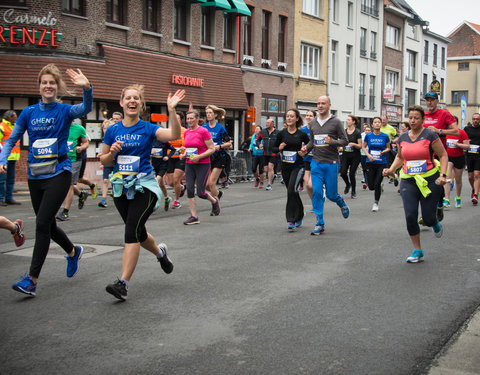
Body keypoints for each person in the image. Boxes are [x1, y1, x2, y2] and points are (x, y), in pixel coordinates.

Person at [0, 64, 93, 297]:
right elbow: (12, 139)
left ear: (57, 86)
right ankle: (73, 251)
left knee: (42, 223)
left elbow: (86, 107)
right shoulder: (29, 112)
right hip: (35, 174)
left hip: (59, 172)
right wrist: (2, 157)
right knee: (48, 225)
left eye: (52, 82)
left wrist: (87, 88)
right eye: (44, 82)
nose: (48, 86)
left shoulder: (64, 111)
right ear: (39, 86)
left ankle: (31, 280)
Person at [100, 85, 185, 301]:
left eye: (136, 98)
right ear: (121, 102)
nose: (132, 101)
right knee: (138, 232)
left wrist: (172, 111)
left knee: (131, 231)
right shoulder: (112, 130)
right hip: (121, 187)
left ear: (141, 104)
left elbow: (174, 134)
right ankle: (160, 253)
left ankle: (123, 283)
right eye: (128, 97)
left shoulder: (148, 128)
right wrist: (112, 152)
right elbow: (104, 160)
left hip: (144, 186)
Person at [383, 105, 448, 263]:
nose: (412, 121)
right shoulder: (403, 137)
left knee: (428, 217)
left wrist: (443, 175)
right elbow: (400, 157)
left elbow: (443, 155)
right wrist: (391, 169)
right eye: (410, 118)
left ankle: (434, 222)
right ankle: (417, 250)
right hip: (409, 180)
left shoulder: (430, 135)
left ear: (422, 120)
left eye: (416, 118)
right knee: (411, 216)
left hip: (429, 180)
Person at [302, 96, 350, 235]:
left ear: (329, 105)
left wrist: (332, 142)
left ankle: (341, 202)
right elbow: (312, 141)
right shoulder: (314, 122)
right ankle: (319, 223)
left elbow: (345, 141)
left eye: (323, 103)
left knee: (331, 194)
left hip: (331, 163)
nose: (320, 105)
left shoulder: (335, 122)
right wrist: (306, 148)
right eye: (318, 103)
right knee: (316, 192)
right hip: (316, 163)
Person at [423, 92, 459, 219]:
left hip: (439, 153)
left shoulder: (444, 114)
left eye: (432, 100)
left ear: (437, 101)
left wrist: (439, 131)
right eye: (427, 100)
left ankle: (439, 204)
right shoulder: (423, 114)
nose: (429, 102)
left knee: (438, 181)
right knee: (423, 182)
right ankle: (426, 211)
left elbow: (456, 132)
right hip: (424, 153)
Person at [180, 109, 219, 225]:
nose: (189, 121)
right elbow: (188, 148)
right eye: (188, 119)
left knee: (201, 193)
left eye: (192, 118)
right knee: (190, 190)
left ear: (197, 119)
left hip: (203, 164)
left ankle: (214, 201)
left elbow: (212, 149)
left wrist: (199, 157)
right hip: (189, 164)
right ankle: (194, 216)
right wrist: (184, 155)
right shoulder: (186, 132)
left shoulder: (203, 131)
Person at [273, 109, 309, 230]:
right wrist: (279, 147)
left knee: (291, 191)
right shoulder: (281, 134)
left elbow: (310, 147)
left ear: (297, 118)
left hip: (298, 166)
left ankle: (291, 220)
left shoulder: (302, 134)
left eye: (291, 116)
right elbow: (272, 148)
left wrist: (304, 151)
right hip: (285, 167)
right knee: (293, 191)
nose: (289, 118)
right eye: (287, 116)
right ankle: (300, 214)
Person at [56, 121, 90, 221]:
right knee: (63, 184)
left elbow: (86, 142)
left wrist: (81, 147)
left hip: (74, 160)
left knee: (69, 184)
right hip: (61, 159)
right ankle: (81, 194)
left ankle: (65, 212)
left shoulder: (79, 128)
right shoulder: (59, 126)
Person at [203, 104, 231, 205]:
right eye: (207, 113)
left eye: (210, 113)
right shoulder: (203, 128)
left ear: (215, 115)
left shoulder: (220, 128)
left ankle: (215, 204)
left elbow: (229, 143)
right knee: (206, 185)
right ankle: (218, 194)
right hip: (207, 157)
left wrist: (220, 146)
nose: (208, 115)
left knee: (211, 183)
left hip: (219, 157)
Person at [362, 117, 391, 212]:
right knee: (371, 186)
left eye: (379, 122)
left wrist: (384, 151)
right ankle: (378, 185)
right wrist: (368, 155)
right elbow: (364, 146)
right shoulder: (368, 135)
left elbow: (388, 148)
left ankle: (376, 203)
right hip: (370, 162)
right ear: (372, 125)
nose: (377, 124)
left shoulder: (385, 136)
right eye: (375, 122)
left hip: (381, 163)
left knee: (377, 183)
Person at [444, 119, 469, 208]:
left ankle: (458, 197)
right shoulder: (446, 132)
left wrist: (458, 145)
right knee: (447, 177)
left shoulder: (461, 132)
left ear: (456, 124)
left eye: (452, 124)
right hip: (449, 157)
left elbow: (467, 146)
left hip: (459, 158)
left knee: (458, 180)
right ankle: (447, 199)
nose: (450, 125)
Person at [166, 112, 186, 209]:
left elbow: (188, 144)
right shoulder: (168, 131)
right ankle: (182, 187)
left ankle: (176, 201)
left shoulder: (185, 131)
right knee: (170, 183)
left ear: (181, 120)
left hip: (180, 158)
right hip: (170, 158)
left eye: (177, 119)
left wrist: (183, 148)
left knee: (176, 179)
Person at [0, 110, 21, 205]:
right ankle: (1, 198)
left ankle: (9, 197)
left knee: (11, 179)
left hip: (13, 157)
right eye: (14, 117)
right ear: (9, 117)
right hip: (4, 158)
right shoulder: (2, 126)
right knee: (2, 179)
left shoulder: (14, 126)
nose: (16, 118)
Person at [340, 115, 362, 199]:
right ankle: (347, 184)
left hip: (355, 156)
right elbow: (342, 142)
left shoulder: (357, 132)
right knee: (342, 172)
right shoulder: (344, 131)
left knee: (352, 173)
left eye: (349, 120)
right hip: (346, 155)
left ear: (353, 122)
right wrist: (341, 147)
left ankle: (353, 191)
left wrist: (353, 144)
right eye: (347, 120)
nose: (347, 121)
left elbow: (360, 145)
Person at [151, 135, 176, 211]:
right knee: (161, 184)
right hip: (155, 164)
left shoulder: (164, 142)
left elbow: (173, 149)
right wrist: (150, 152)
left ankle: (154, 202)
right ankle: (167, 197)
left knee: (157, 181)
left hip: (163, 165)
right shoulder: (151, 142)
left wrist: (168, 157)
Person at [97, 118, 116, 208]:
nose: (105, 130)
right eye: (104, 128)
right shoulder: (103, 139)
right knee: (105, 180)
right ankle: (103, 199)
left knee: (116, 181)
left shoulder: (116, 138)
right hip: (107, 163)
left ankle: (117, 196)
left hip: (115, 162)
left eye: (107, 128)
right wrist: (101, 155)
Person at [256, 118, 279, 191]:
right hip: (265, 153)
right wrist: (259, 144)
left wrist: (279, 148)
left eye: (268, 123)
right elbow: (257, 140)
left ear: (272, 124)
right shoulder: (263, 132)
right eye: (266, 123)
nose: (266, 124)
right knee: (265, 169)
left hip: (273, 153)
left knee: (270, 167)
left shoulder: (278, 132)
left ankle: (269, 184)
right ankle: (271, 177)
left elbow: (282, 141)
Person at [465, 113, 480, 205]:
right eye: (474, 119)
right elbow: (462, 138)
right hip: (469, 154)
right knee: (470, 176)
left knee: (477, 174)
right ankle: (474, 188)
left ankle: (475, 195)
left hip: (479, 155)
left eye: (477, 119)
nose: (475, 120)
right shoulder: (467, 129)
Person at [300, 110, 316, 201]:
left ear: (314, 118)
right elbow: (301, 143)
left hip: (316, 159)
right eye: (307, 115)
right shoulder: (303, 130)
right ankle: (314, 202)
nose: (308, 117)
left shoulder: (317, 129)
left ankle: (321, 192)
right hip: (306, 158)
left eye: (310, 115)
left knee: (311, 184)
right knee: (306, 183)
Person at [360, 123, 371, 190]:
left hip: (369, 154)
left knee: (368, 168)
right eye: (366, 130)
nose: (367, 131)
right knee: (364, 168)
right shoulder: (361, 135)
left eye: (368, 130)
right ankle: (366, 180)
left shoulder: (372, 136)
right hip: (362, 153)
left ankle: (367, 182)